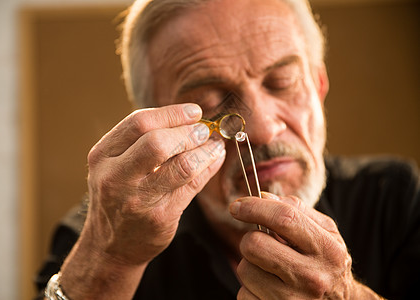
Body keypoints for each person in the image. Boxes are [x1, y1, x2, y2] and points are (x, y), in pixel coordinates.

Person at [36, 0, 420, 299]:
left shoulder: (394, 198)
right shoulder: (107, 232)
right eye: (210, 103)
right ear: (162, 126)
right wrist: (109, 260)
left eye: (282, 82)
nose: (262, 128)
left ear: (318, 88)